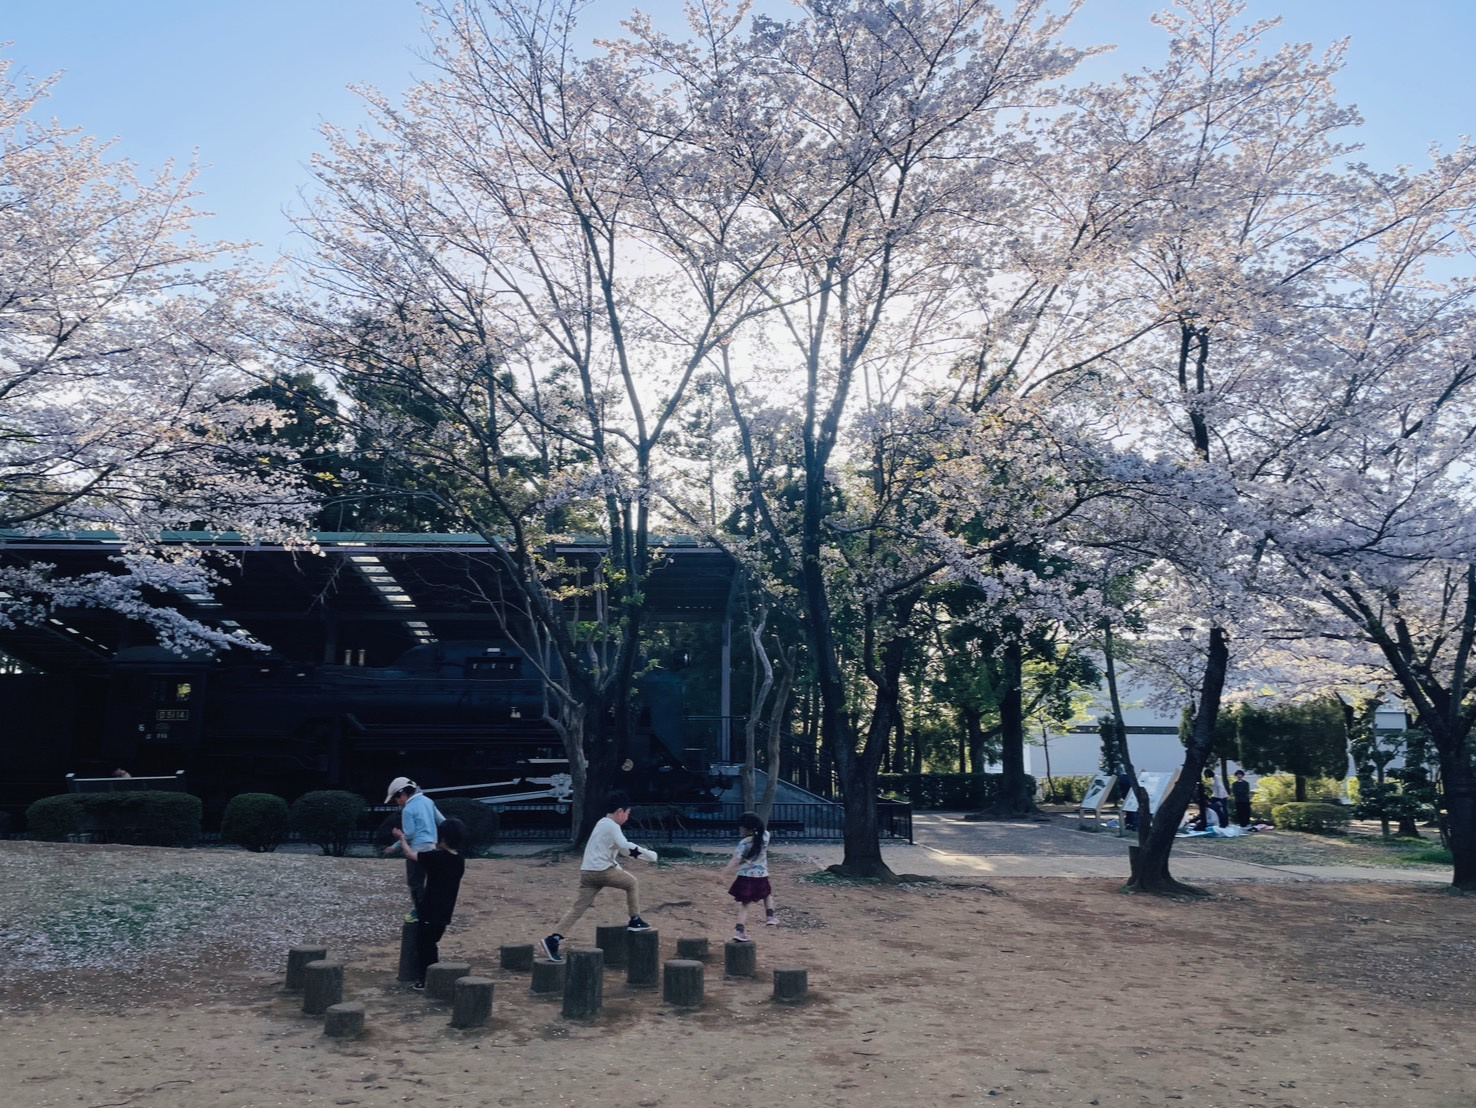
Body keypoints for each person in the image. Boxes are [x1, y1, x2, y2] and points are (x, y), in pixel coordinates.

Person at [538, 789, 659, 964]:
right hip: (602, 872)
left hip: (587, 873)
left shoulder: (601, 823)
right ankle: (635, 920)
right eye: (627, 813)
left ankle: (553, 939)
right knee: (632, 883)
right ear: (620, 811)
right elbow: (625, 847)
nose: (627, 817)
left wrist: (618, 866)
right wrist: (650, 856)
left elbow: (610, 852)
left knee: (577, 909)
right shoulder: (612, 826)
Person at [393, 817, 466, 989]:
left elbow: (410, 854)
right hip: (446, 910)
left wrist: (402, 839)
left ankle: (426, 980)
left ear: (443, 837)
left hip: (429, 909)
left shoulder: (435, 858)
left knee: (425, 947)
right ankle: (430, 977)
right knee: (432, 944)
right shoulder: (459, 860)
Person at [382, 776, 445, 922]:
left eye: (396, 799)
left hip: (416, 850)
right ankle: (432, 910)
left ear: (403, 794)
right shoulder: (428, 801)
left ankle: (420, 912)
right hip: (432, 847)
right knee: (431, 881)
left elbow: (409, 834)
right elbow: (442, 821)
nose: (397, 802)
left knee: (415, 882)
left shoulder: (408, 809)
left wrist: (395, 846)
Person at [717, 811, 777, 941]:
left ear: (746, 828)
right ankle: (770, 917)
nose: (740, 829)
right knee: (767, 894)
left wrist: (723, 873)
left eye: (741, 827)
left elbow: (736, 859)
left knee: (745, 905)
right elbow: (761, 832)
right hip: (761, 875)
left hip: (745, 876)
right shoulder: (766, 836)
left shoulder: (744, 843)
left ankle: (740, 931)